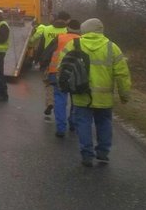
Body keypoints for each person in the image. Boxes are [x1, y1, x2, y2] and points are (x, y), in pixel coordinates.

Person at [57, 18, 131, 167]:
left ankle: (87, 155)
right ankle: (103, 153)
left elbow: (62, 66)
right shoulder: (112, 47)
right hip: (104, 97)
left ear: (84, 29)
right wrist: (124, 94)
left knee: (83, 123)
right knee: (104, 122)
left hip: (81, 93)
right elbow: (122, 74)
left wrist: (63, 85)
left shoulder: (74, 44)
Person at [39, 18, 80, 137]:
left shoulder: (60, 38)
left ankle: (61, 128)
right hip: (76, 74)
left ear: (67, 28)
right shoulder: (82, 40)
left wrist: (43, 66)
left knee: (60, 100)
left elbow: (47, 53)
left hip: (57, 73)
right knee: (76, 100)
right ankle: (72, 123)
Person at [39, 11, 70, 116]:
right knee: (62, 88)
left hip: (48, 61)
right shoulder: (67, 31)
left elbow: (41, 45)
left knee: (49, 84)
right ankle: (61, 107)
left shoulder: (47, 29)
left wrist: (39, 60)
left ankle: (50, 102)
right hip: (65, 63)